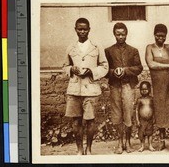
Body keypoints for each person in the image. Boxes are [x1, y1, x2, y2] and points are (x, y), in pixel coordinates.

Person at [63, 18, 108, 155]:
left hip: (91, 89)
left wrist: (92, 72)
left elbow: (104, 66)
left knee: (90, 120)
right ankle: (79, 149)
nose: (82, 31)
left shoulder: (96, 46)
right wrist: (71, 69)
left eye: (85, 29)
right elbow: (65, 66)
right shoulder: (71, 47)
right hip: (75, 89)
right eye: (79, 29)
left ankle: (88, 149)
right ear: (75, 29)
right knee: (76, 121)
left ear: (89, 29)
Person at [105, 22, 143, 154]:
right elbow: (104, 69)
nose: (120, 36)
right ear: (114, 34)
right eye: (118, 34)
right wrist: (113, 72)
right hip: (115, 86)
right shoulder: (108, 51)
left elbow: (139, 68)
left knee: (128, 113)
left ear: (126, 34)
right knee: (116, 115)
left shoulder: (133, 50)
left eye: (123, 34)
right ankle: (120, 141)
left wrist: (125, 70)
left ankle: (128, 141)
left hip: (128, 86)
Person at [145, 24, 169, 153]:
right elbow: (151, 64)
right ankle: (162, 142)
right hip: (158, 84)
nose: (160, 38)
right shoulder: (150, 48)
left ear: (166, 36)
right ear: (154, 35)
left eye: (163, 36)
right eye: (158, 35)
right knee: (160, 110)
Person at [135, 81, 155, 152]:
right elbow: (137, 110)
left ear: (149, 89)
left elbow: (154, 109)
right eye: (142, 90)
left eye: (145, 89)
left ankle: (150, 145)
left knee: (150, 133)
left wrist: (154, 118)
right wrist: (137, 120)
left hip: (149, 120)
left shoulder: (151, 99)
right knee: (141, 134)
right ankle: (142, 146)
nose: (144, 91)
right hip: (142, 120)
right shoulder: (139, 100)